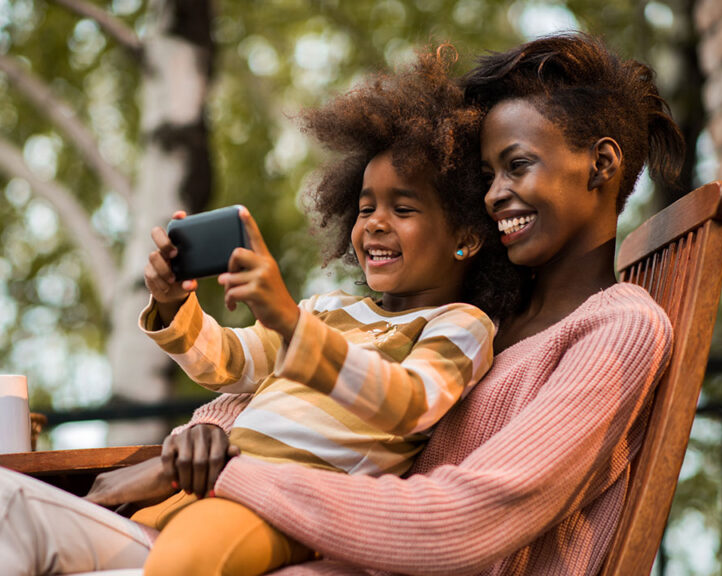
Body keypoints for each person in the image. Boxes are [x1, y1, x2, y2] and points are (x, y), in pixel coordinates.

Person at [0, 49, 522, 576]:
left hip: (275, 514)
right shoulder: (330, 310)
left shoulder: (459, 326)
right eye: (364, 207)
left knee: (184, 558)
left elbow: (408, 401)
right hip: (186, 503)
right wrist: (176, 304)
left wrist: (289, 322)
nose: (375, 223)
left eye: (403, 209)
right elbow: (227, 363)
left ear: (466, 235)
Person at [148, 32, 683, 575]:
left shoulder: (617, 329)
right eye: (485, 178)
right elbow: (294, 394)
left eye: (516, 166)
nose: (494, 195)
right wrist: (207, 431)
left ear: (602, 164)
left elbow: (463, 523)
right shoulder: (483, 315)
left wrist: (230, 474)